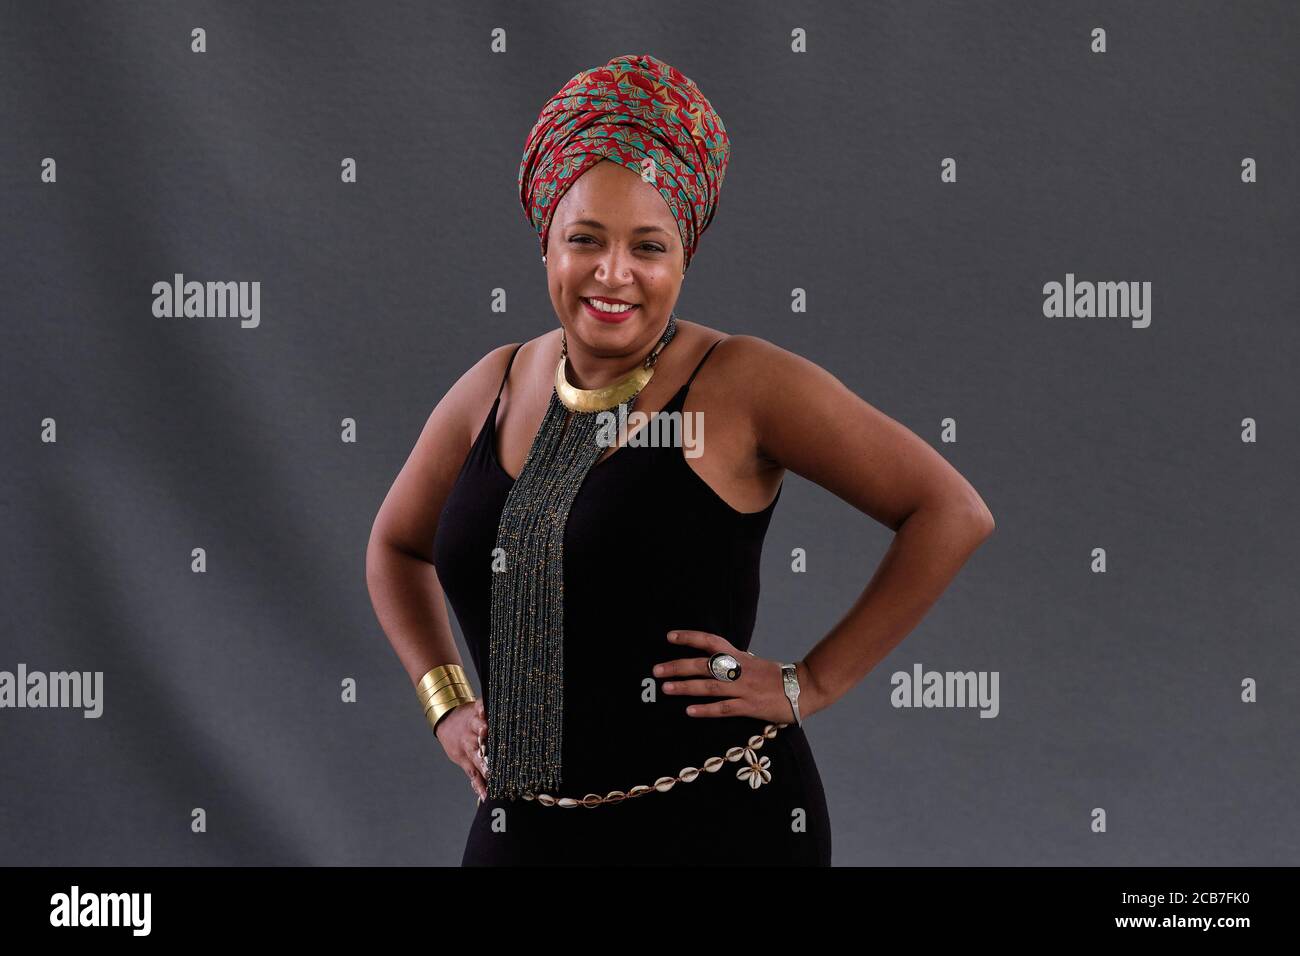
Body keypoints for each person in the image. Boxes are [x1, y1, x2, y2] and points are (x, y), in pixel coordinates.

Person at [366, 54, 995, 866]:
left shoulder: (742, 384)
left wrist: (812, 683)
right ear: (546, 242)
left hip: (715, 828)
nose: (613, 273)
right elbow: (394, 546)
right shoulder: (494, 383)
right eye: (583, 239)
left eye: (649, 247)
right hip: (528, 828)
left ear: (685, 255)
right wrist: (446, 701)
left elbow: (950, 512)